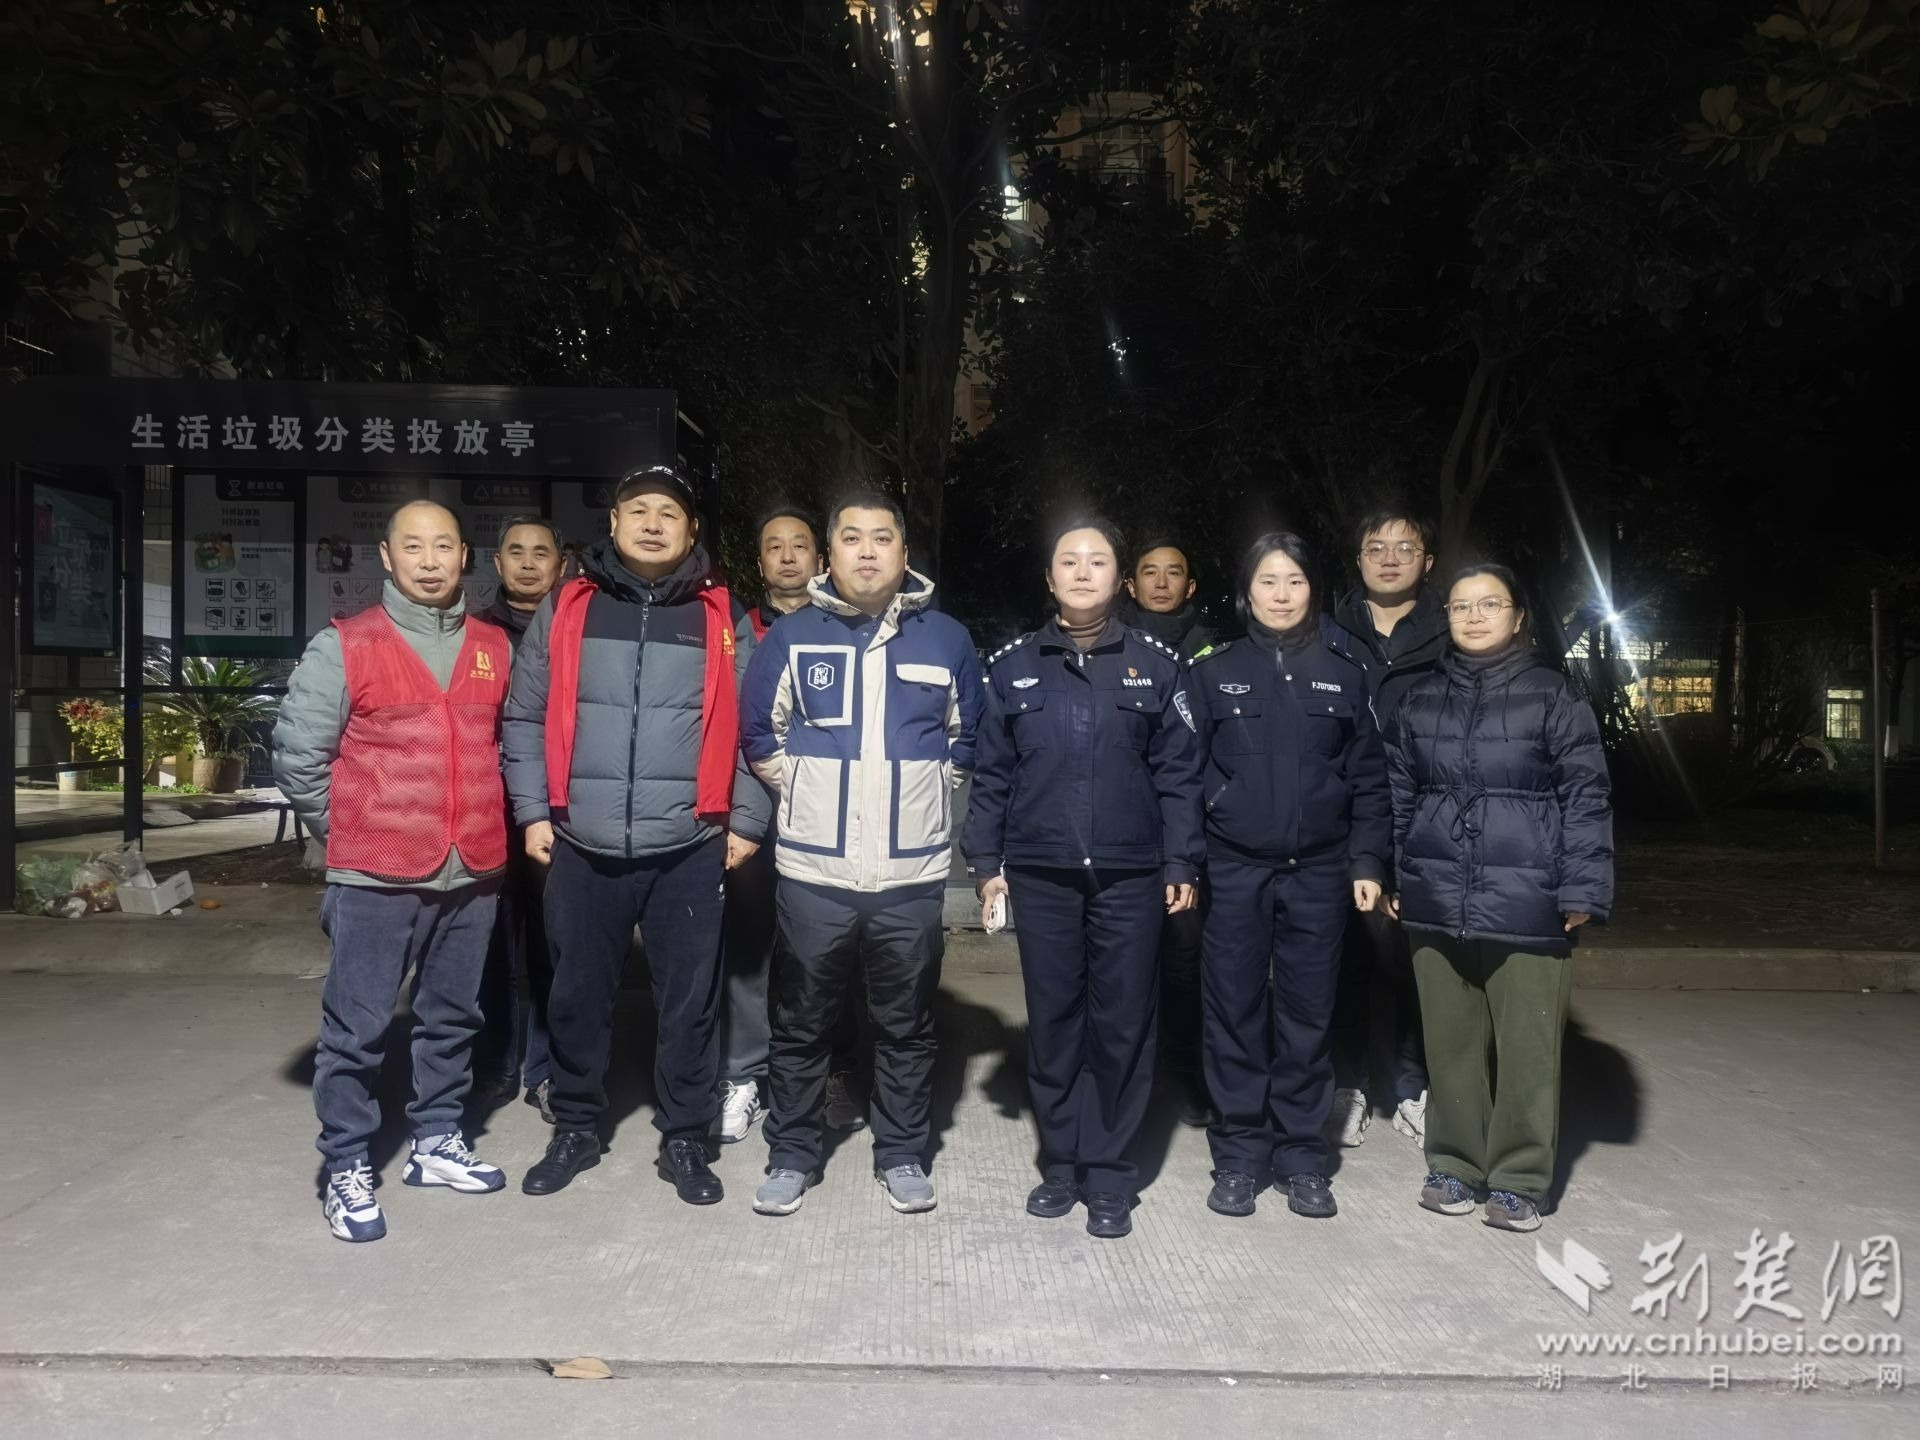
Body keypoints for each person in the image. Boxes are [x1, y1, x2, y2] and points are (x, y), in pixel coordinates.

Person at [502, 465, 771, 1204]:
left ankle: (686, 1138)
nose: (654, 524)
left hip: (689, 845)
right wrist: (533, 812)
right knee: (576, 997)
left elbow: (755, 728)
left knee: (690, 1003)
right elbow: (523, 715)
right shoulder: (569, 606)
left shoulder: (721, 616)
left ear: (692, 531)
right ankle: (575, 1127)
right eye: (639, 511)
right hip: (581, 842)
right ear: (614, 523)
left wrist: (746, 821)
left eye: (670, 513)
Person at [739, 490, 984, 1217]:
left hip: (910, 875)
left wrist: (923, 799)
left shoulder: (947, 639)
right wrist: (807, 792)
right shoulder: (792, 636)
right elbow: (760, 733)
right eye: (852, 538)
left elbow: (967, 739)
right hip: (814, 871)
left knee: (906, 1023)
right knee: (802, 1020)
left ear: (905, 553)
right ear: (830, 554)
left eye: (883, 538)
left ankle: (902, 1151)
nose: (868, 551)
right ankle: (791, 1153)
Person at [273, 500, 512, 1242]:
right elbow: (298, 758)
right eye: (414, 547)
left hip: (473, 871)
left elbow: (507, 747)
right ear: (386, 556)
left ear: (464, 556)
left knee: (454, 1017)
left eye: (443, 546)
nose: (430, 561)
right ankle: (346, 1164)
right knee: (357, 1029)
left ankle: (436, 1138)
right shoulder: (345, 645)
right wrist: (355, 831)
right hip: (376, 879)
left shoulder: (492, 646)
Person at [963, 518, 1204, 1239]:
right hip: (1041, 874)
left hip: (1132, 875)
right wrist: (986, 865)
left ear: (1119, 578)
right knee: (1056, 1020)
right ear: (1049, 578)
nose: (1081, 571)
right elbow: (992, 776)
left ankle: (1109, 1172)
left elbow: (1179, 774)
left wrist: (1181, 860)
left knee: (1123, 1022)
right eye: (1068, 561)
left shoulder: (1157, 666)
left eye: (1097, 561)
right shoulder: (1012, 667)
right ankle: (1062, 1163)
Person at [1384, 563, 1613, 1233]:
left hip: (1530, 898)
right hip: (1436, 896)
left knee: (1527, 1048)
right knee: (1449, 1044)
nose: (1474, 616)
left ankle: (1519, 1179)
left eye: (1490, 604)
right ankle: (1454, 1165)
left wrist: (1583, 888)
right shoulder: (1421, 700)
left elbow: (1587, 795)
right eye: (1461, 606)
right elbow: (1398, 798)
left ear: (1517, 616)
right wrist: (1400, 875)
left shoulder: (1553, 697)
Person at [1192, 532, 1391, 1221]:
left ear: (1315, 590)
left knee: (1308, 1016)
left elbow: (1370, 779)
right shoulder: (1213, 671)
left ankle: (1303, 1157)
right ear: (1246, 592)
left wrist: (1367, 861)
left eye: (1295, 581)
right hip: (1233, 869)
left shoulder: (1345, 672)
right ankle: (1239, 1156)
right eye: (1268, 581)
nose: (1281, 594)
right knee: (1234, 1014)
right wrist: (1187, 862)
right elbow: (1184, 774)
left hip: (1320, 872)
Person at [716, 505, 863, 1143]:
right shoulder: (734, 631)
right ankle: (744, 1075)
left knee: (827, 951)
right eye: (773, 546)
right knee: (748, 949)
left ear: (820, 559)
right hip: (753, 819)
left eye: (799, 545)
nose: (787, 556)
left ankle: (832, 1068)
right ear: (759, 562)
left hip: (830, 823)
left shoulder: (851, 629)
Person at [1325, 509, 1447, 1149]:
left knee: (1415, 961)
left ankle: (1410, 1088)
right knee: (1341, 957)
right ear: (1359, 560)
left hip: (1426, 819)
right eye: (1376, 547)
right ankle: (1345, 1084)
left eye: (1406, 547)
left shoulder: (1452, 633)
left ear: (1428, 562)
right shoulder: (1327, 632)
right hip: (1341, 821)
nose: (1390, 557)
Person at [470, 515, 567, 1121]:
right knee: (492, 947)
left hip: (557, 810)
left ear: (562, 564)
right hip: (490, 810)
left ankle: (548, 1069)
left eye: (541, 552)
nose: (529, 564)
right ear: (497, 562)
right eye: (516, 552)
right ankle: (495, 1067)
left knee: (554, 946)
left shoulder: (576, 625)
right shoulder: (474, 633)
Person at [1120, 537, 1218, 1127]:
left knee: (1187, 961)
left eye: (1173, 572)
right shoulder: (1111, 644)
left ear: (1191, 585)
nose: (1161, 583)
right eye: (1149, 573)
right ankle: (1131, 1077)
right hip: (1126, 829)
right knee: (1126, 963)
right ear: (1130, 585)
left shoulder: (1213, 653)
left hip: (1194, 830)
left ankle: (1187, 1070)